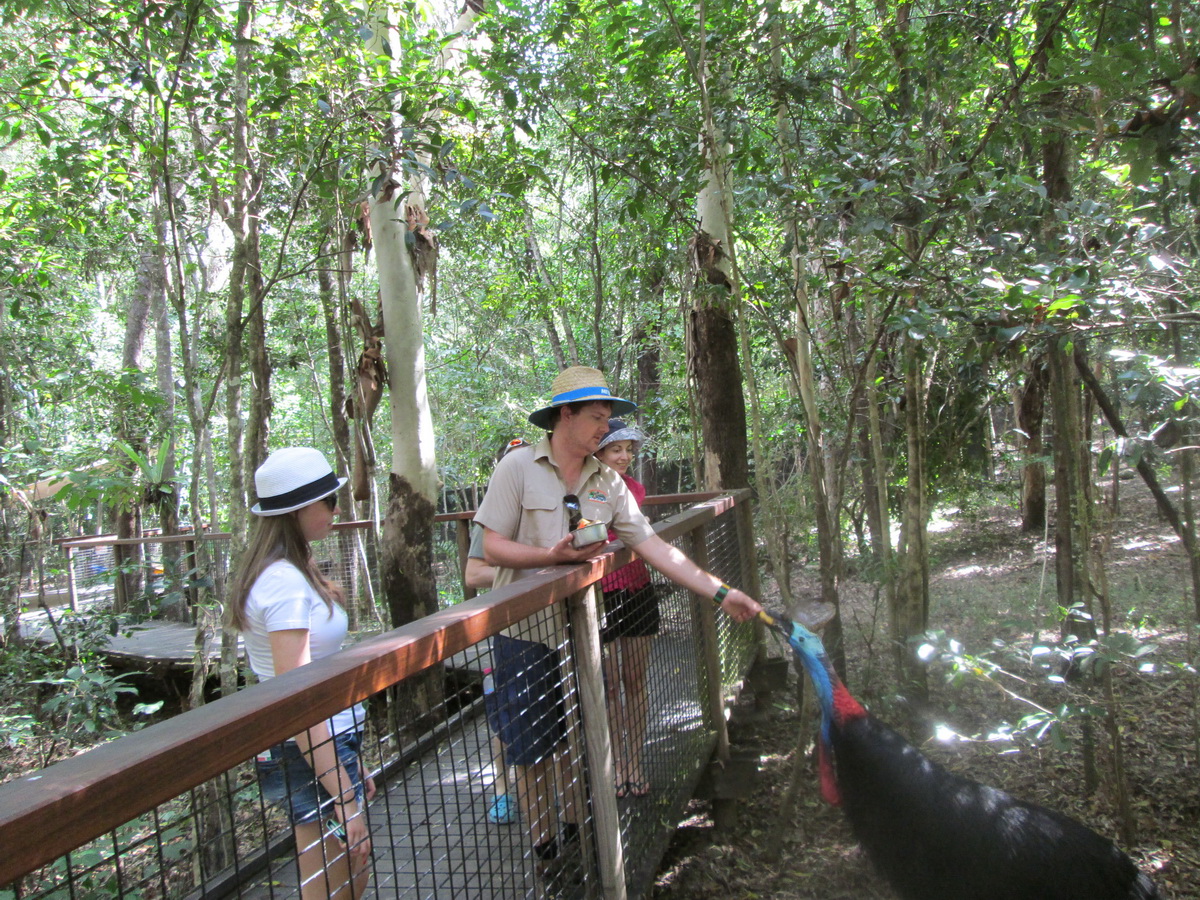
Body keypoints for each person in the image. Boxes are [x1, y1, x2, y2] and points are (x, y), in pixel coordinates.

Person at [474, 366, 762, 891]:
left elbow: (656, 547)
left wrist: (721, 592)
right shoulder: (517, 467)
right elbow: (491, 546)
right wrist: (549, 557)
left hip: (584, 634)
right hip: (525, 635)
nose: (605, 430)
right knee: (533, 753)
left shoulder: (608, 482)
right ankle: (545, 849)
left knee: (582, 743)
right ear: (566, 415)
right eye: (597, 418)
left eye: (609, 420)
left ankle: (583, 841)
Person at [229, 447, 374, 900]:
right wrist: (344, 797)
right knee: (338, 876)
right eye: (329, 501)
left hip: (326, 742)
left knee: (343, 874)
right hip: (310, 745)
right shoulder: (285, 584)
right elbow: (300, 701)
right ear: (299, 510)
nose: (336, 510)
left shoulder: (290, 570)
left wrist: (354, 766)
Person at [464, 437, 531, 826]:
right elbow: (473, 574)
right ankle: (503, 790)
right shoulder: (492, 517)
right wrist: (527, 572)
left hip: (547, 624)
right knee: (504, 710)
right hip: (505, 626)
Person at [593, 419, 657, 798]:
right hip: (603, 593)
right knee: (611, 685)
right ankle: (617, 765)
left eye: (629, 450)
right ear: (599, 452)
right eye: (617, 449)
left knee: (635, 680)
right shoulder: (586, 487)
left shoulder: (635, 487)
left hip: (637, 587)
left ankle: (635, 761)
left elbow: (626, 531)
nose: (625, 456)